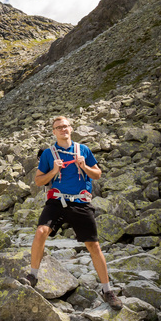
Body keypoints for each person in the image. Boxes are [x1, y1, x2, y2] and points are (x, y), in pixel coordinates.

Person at [24, 115, 122, 310]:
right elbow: (38, 181)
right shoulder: (48, 154)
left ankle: (107, 290)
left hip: (80, 202)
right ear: (54, 132)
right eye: (58, 127)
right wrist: (53, 171)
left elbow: (97, 174)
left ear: (71, 128)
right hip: (57, 201)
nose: (63, 129)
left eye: (66, 126)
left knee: (93, 245)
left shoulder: (83, 150)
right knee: (41, 231)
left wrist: (83, 165)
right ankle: (32, 276)